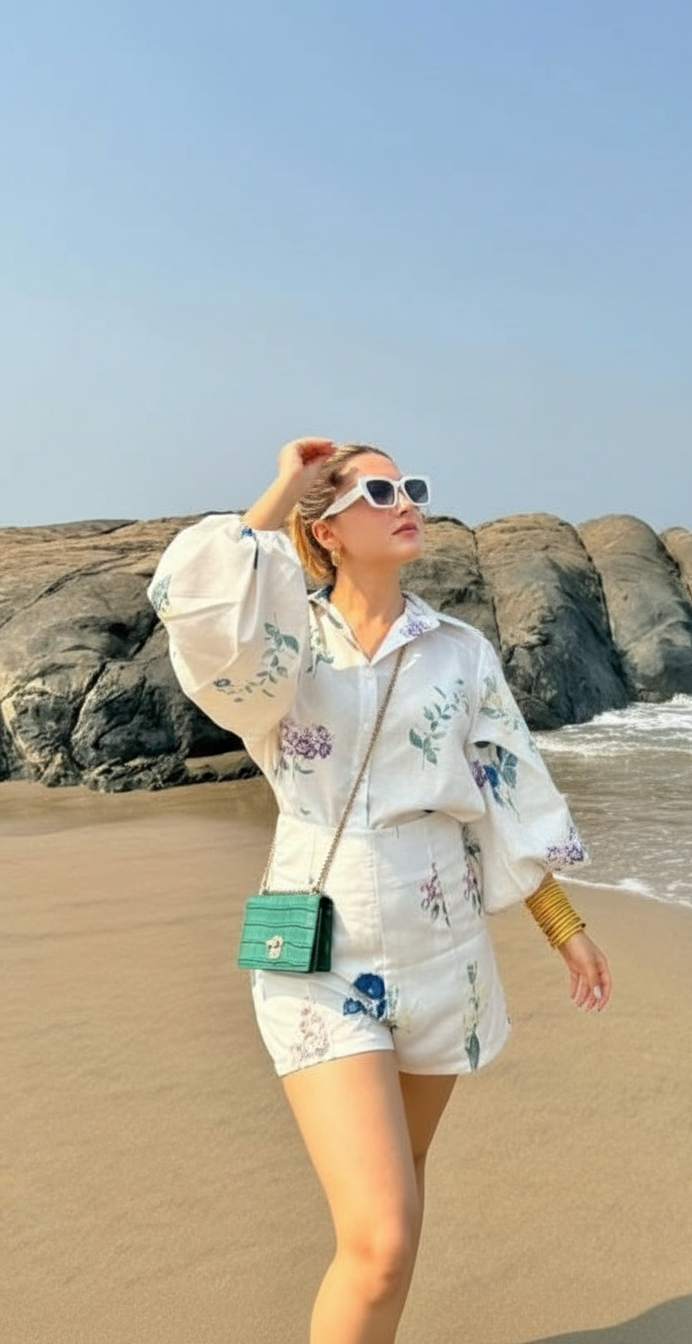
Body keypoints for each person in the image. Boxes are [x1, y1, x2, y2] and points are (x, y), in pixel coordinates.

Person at [148, 437, 612, 1344]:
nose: (408, 504)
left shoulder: (461, 652)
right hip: (319, 953)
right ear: (325, 529)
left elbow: (506, 791)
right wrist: (284, 484)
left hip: (444, 949)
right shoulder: (280, 648)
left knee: (399, 1199)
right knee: (384, 1240)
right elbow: (196, 598)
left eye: (412, 489)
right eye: (380, 492)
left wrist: (563, 924)